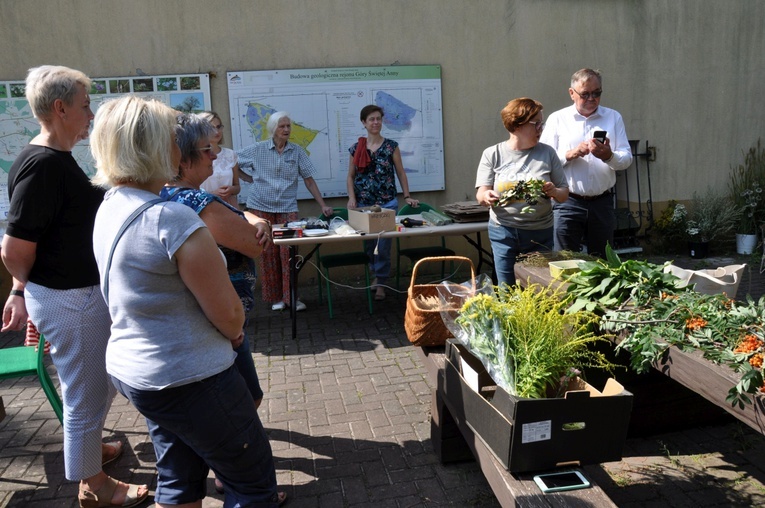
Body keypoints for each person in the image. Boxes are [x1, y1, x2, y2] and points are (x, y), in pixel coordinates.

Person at [90, 95, 282, 507]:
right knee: (252, 484)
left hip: (138, 373)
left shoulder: (111, 205)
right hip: (191, 376)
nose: (182, 148)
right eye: (173, 138)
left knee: (179, 477)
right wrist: (234, 334)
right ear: (156, 147)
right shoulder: (171, 218)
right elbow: (230, 317)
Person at [0, 65, 148, 508]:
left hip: (75, 295)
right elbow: (14, 246)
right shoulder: (44, 165)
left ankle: (87, 451)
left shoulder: (54, 159)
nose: (90, 114)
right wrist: (21, 288)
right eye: (85, 106)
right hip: (69, 300)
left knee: (96, 384)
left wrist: (21, 290)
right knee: (85, 392)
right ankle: (94, 486)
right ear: (60, 108)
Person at [237, 111, 333, 311]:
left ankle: (291, 297)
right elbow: (233, 162)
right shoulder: (258, 149)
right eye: (282, 126)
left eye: (288, 126)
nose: (287, 130)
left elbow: (308, 179)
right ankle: (275, 298)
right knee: (268, 254)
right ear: (273, 129)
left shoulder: (296, 151)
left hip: (287, 208)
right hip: (260, 207)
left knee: (289, 253)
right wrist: (247, 179)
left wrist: (322, 204)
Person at [539, 68, 633, 257]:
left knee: (603, 263)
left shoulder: (613, 117)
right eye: (585, 94)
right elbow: (542, 162)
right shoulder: (557, 119)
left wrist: (608, 156)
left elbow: (626, 159)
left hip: (602, 202)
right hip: (568, 202)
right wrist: (570, 154)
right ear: (572, 93)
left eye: (597, 93)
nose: (592, 98)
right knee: (565, 261)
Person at [475, 98, 569, 287]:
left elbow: (564, 193)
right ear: (518, 125)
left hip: (539, 233)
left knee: (538, 289)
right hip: (503, 232)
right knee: (507, 288)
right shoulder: (493, 154)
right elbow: (481, 192)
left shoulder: (548, 153)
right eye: (537, 124)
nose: (541, 129)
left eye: (542, 123)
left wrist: (554, 191)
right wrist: (486, 197)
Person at [347, 104, 418, 301]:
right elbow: (350, 177)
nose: (375, 122)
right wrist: (352, 198)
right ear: (364, 123)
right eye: (371, 119)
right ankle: (376, 276)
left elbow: (401, 173)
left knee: (383, 245)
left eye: (378, 118)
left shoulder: (391, 146)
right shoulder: (356, 148)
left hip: (387, 203)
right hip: (364, 206)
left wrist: (407, 196)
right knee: (370, 246)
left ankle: (381, 282)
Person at [197, 111, 241, 208]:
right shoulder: (195, 156)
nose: (217, 131)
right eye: (212, 128)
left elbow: (237, 187)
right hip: (206, 207)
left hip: (229, 207)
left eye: (219, 127)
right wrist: (213, 194)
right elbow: (189, 189)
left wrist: (231, 189)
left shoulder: (230, 154)